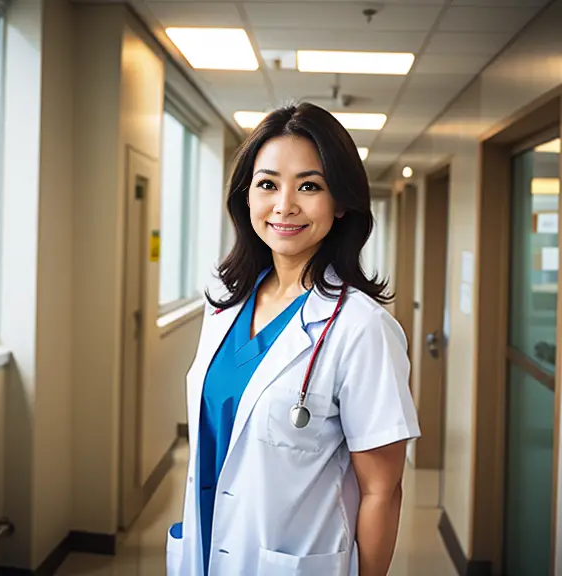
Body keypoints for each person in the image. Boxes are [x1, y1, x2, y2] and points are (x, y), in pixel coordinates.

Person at [166, 102, 421, 576]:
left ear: (340, 203)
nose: (285, 205)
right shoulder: (225, 299)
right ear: (246, 197)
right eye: (267, 184)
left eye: (309, 186)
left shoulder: (362, 328)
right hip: (205, 549)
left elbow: (382, 491)